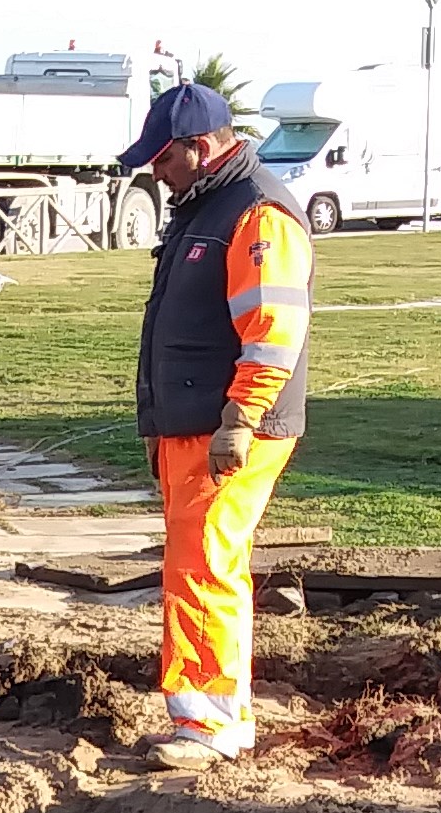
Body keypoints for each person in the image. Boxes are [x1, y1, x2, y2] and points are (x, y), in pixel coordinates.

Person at [120, 81, 313, 767]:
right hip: (195, 421)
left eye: (163, 159)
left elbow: (273, 328)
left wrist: (241, 417)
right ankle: (212, 715)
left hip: (228, 427)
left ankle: (212, 723)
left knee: (204, 568)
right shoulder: (207, 204)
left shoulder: (257, 214)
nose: (155, 172)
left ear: (201, 149)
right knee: (195, 565)